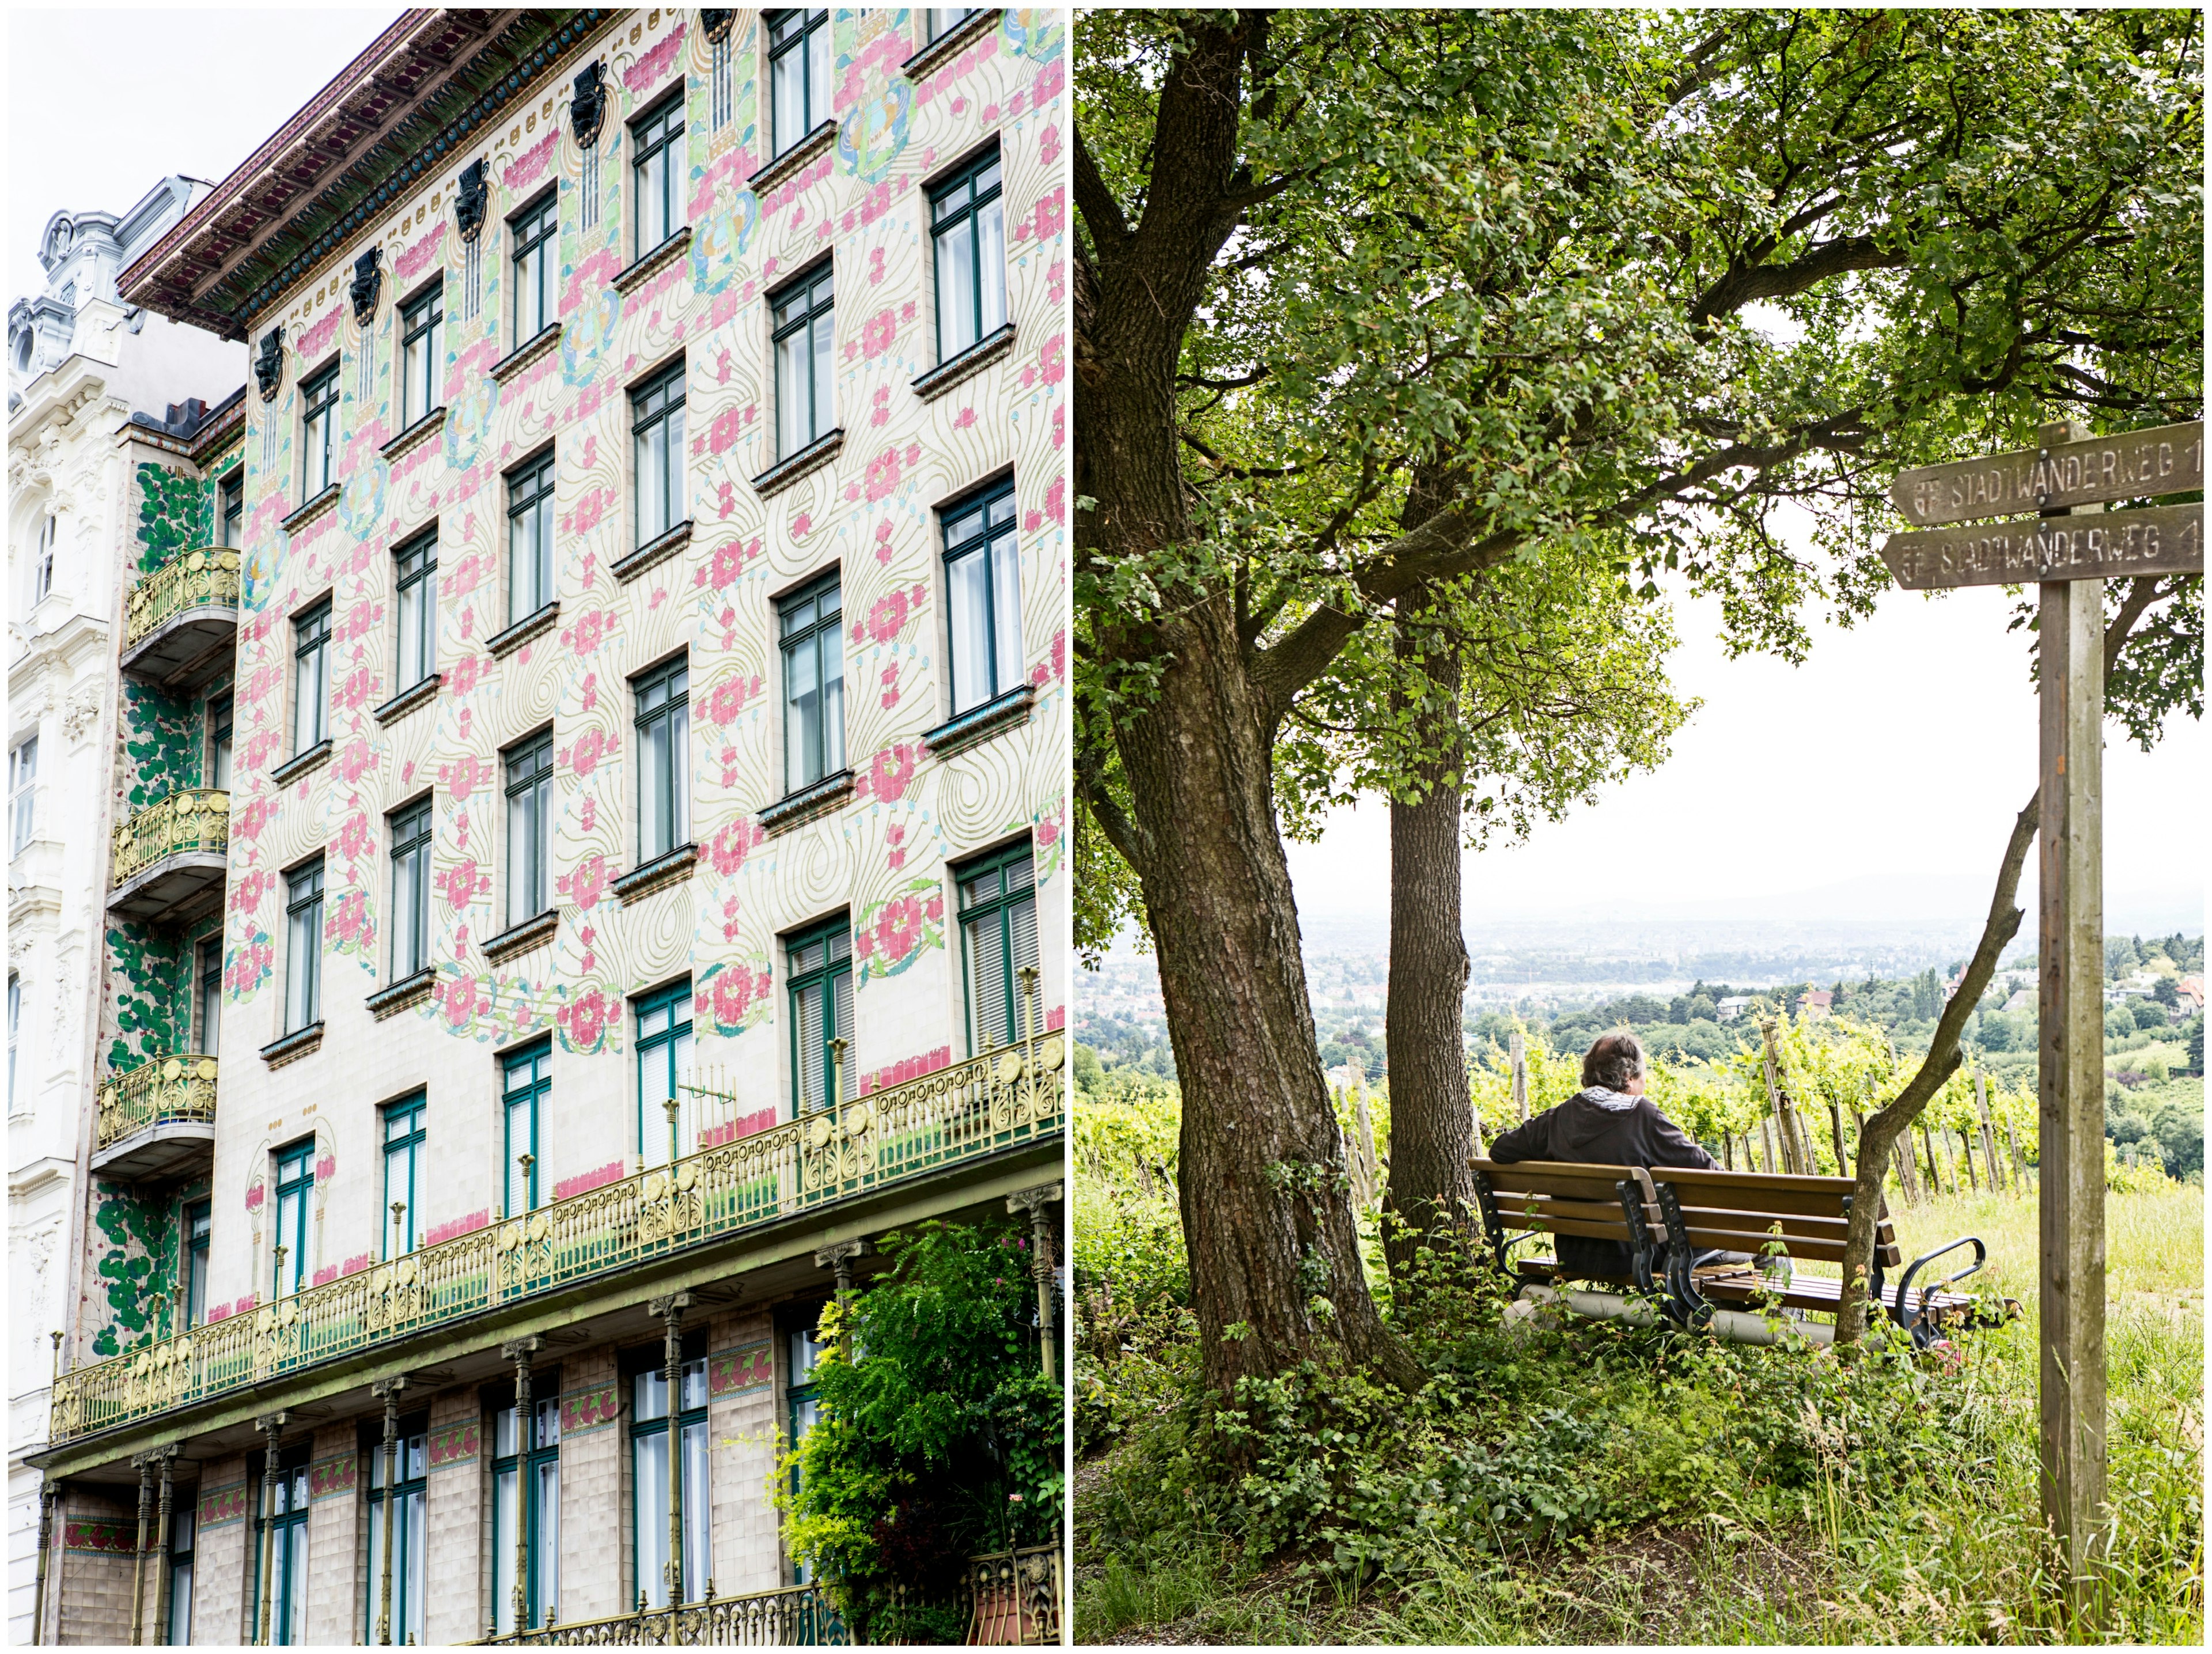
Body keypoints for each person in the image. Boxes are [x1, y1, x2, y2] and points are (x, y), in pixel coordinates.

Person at [1486, 1031, 1722, 1281]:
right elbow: (1710, 1173)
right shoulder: (1645, 1117)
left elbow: (1500, 1150)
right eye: (1643, 1075)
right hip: (1636, 1254)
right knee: (1737, 1246)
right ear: (1629, 1077)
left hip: (1574, 1253)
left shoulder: (1558, 1118)